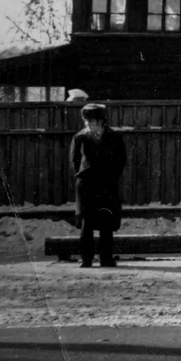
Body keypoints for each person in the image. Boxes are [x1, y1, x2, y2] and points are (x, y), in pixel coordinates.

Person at [69, 103, 127, 268]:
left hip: (107, 185)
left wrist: (110, 177)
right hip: (87, 185)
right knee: (86, 224)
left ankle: (106, 258)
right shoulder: (80, 138)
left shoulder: (114, 137)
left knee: (106, 223)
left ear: (102, 121)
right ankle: (86, 259)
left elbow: (120, 161)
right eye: (87, 121)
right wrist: (84, 175)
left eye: (93, 121)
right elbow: (75, 161)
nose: (90, 125)